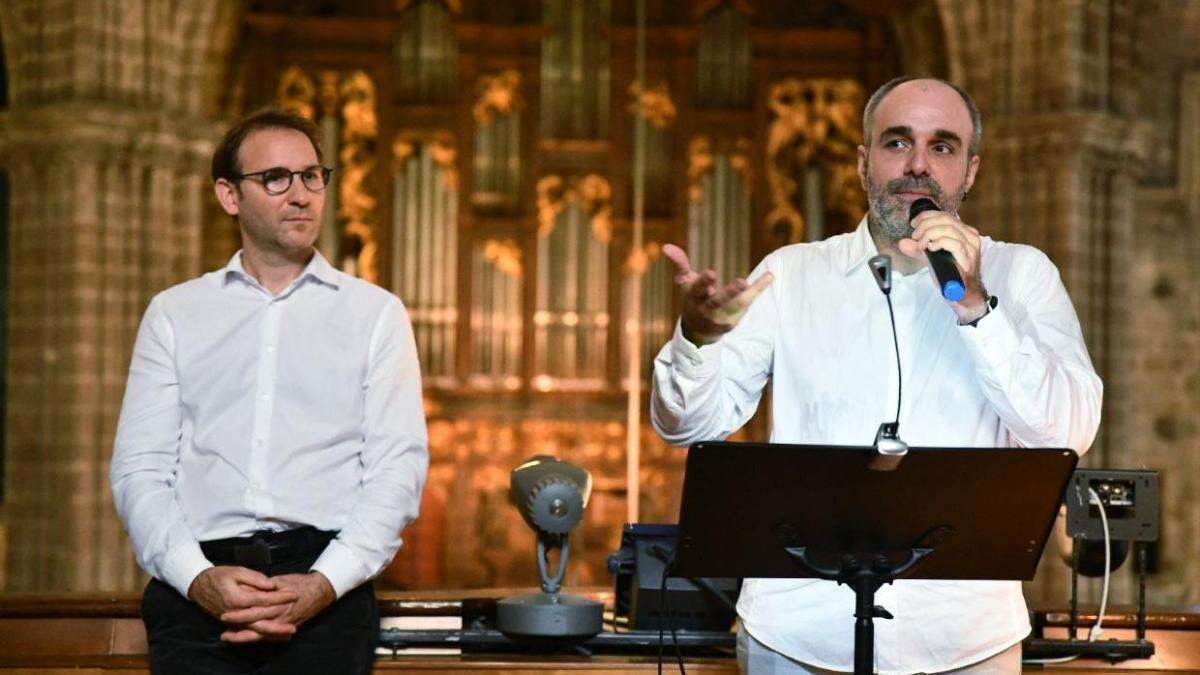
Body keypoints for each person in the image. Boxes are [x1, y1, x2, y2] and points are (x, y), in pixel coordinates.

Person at [651, 77, 1102, 674]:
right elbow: (688, 425)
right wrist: (699, 342)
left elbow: (1066, 432)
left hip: (966, 639)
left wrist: (975, 306)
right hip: (799, 633)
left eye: (942, 147)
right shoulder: (791, 275)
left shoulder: (1021, 274)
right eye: (897, 143)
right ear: (864, 163)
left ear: (969, 171)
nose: (918, 165)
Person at [111, 109, 429, 674]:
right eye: (276, 178)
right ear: (229, 195)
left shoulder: (375, 314)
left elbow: (396, 471)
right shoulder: (175, 313)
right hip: (198, 587)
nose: (301, 194)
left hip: (325, 587)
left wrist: (323, 584)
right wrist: (196, 577)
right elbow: (140, 471)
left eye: (312, 176)